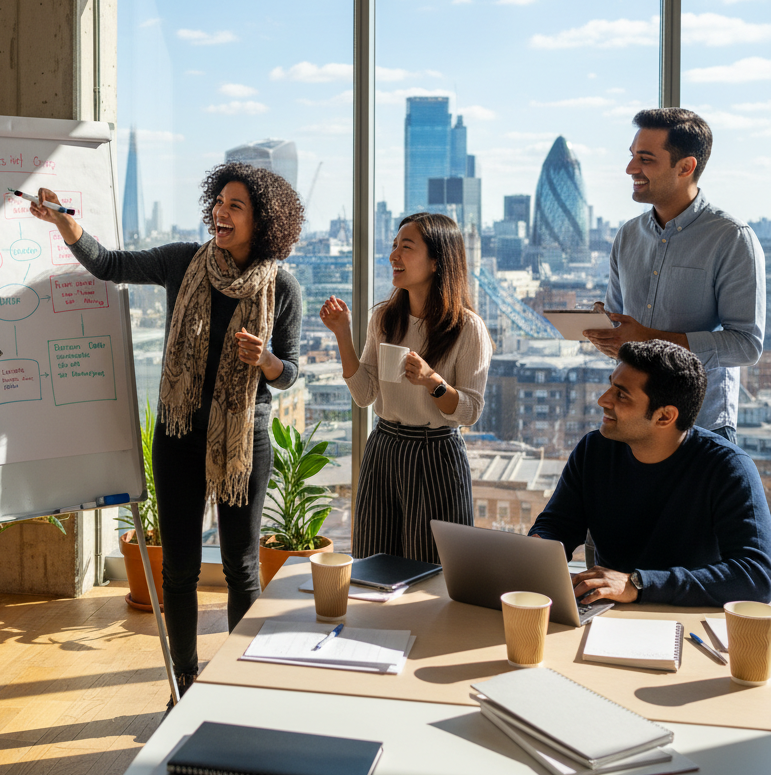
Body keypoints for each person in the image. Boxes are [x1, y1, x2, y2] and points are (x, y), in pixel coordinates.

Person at [29, 163, 303, 699]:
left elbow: (290, 372)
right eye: (219, 202)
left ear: (263, 221)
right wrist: (68, 228)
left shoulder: (283, 287)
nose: (221, 213)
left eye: (235, 206)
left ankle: (240, 684)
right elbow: (110, 265)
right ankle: (184, 681)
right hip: (179, 435)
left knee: (241, 567)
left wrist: (266, 361)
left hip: (244, 440)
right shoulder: (184, 261)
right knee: (178, 568)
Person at [530, 340, 771, 607]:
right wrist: (536, 550)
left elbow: (757, 577)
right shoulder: (594, 449)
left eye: (621, 395)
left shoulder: (729, 467)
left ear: (665, 417)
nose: (602, 400)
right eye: (611, 385)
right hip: (608, 613)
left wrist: (637, 583)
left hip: (687, 617)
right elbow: (558, 525)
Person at [319, 213, 491, 563]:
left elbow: (470, 411)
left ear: (436, 262)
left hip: (435, 456)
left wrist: (433, 381)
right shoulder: (384, 318)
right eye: (393, 246)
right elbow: (365, 394)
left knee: (432, 570)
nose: (393, 256)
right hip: (383, 448)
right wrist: (341, 334)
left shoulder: (467, 328)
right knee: (373, 561)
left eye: (406, 247)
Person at [584, 108, 764, 442]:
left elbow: (746, 345)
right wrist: (608, 334)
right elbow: (623, 334)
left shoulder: (732, 238)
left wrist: (647, 337)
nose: (630, 169)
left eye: (646, 159)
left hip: (702, 426)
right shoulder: (627, 236)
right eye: (632, 156)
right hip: (633, 423)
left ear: (685, 167)